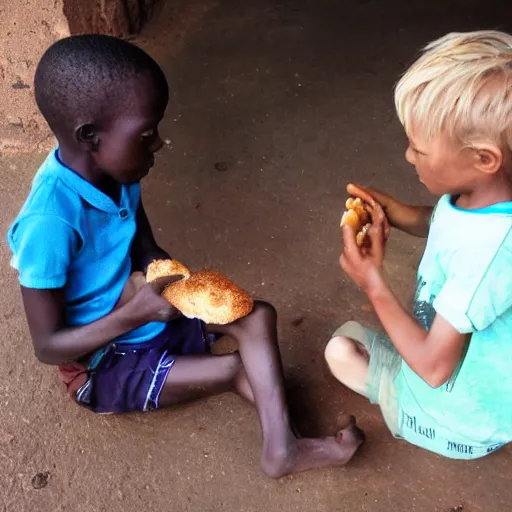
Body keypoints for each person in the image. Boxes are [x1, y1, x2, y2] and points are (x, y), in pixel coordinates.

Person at [7, 34, 364, 478]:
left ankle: (282, 444)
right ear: (90, 136)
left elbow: (144, 243)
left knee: (258, 316)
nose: (158, 144)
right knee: (239, 366)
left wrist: (174, 283)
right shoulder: (49, 223)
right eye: (146, 133)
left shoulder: (115, 172)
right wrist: (136, 313)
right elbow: (48, 346)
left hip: (142, 311)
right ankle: (283, 448)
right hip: (104, 363)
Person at [325, 30, 512, 459]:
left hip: (460, 411)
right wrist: (397, 212)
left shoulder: (489, 256)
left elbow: (433, 367)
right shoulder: (486, 199)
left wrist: (373, 281)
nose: (409, 157)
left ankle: (434, 423)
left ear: (483, 159)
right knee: (349, 347)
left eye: (418, 149)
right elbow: (442, 222)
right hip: (467, 362)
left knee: (340, 350)